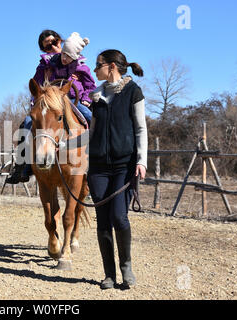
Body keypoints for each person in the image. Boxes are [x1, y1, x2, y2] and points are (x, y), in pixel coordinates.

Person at [87, 49, 147, 289]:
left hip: (125, 165)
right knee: (102, 220)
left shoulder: (133, 92)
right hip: (98, 168)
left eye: (98, 65)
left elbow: (141, 128)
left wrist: (141, 161)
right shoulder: (96, 96)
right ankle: (109, 274)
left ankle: (126, 268)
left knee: (119, 217)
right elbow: (91, 133)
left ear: (111, 66)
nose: (94, 69)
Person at [5, 31, 96, 184]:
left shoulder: (79, 64)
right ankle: (23, 165)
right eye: (47, 46)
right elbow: (36, 86)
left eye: (54, 42)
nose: (52, 47)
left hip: (73, 99)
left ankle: (95, 161)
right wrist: (45, 80)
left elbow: (90, 86)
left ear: (60, 41)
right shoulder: (46, 65)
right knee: (27, 123)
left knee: (90, 117)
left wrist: (87, 99)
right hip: (50, 102)